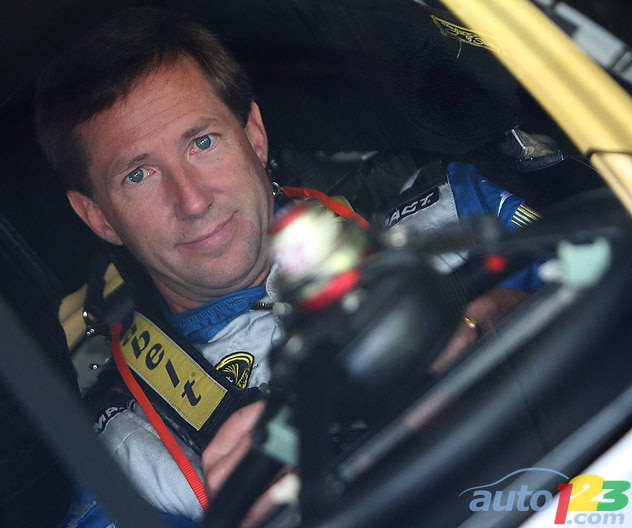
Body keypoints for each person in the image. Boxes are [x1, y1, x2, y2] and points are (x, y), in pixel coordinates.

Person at [34, 7, 537, 525]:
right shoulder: (126, 458)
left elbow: (590, 271)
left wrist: (491, 323)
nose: (193, 200)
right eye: (139, 175)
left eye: (202, 142)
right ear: (98, 216)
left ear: (254, 135)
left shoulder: (461, 210)